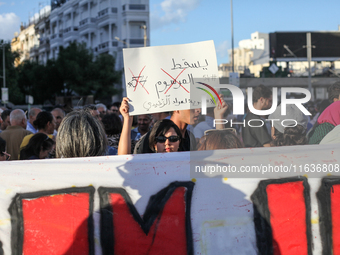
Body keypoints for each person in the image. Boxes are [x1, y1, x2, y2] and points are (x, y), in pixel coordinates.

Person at [118, 101, 182, 155]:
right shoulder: (147, 164)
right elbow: (123, 159)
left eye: (173, 138)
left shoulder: (187, 162)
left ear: (179, 141)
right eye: (161, 139)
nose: (167, 143)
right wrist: (127, 119)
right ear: (154, 144)